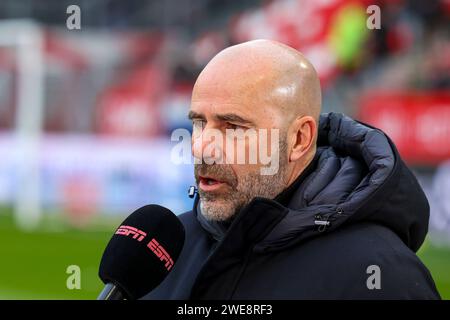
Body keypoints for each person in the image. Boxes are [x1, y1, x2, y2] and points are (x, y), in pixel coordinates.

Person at [144, 39, 440, 299]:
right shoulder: (164, 251)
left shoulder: (379, 274)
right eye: (198, 123)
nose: (200, 147)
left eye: (232, 126)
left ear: (299, 139)